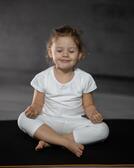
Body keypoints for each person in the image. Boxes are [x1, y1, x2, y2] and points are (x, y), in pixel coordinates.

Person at [18, 25, 109, 158]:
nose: (65, 54)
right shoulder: (42, 77)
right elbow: (37, 104)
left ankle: (51, 140)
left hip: (73, 123)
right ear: (51, 52)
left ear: (80, 54)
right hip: (49, 121)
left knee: (103, 129)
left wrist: (93, 113)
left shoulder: (85, 78)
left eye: (71, 51)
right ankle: (64, 142)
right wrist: (33, 110)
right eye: (59, 50)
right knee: (23, 119)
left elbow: (88, 105)